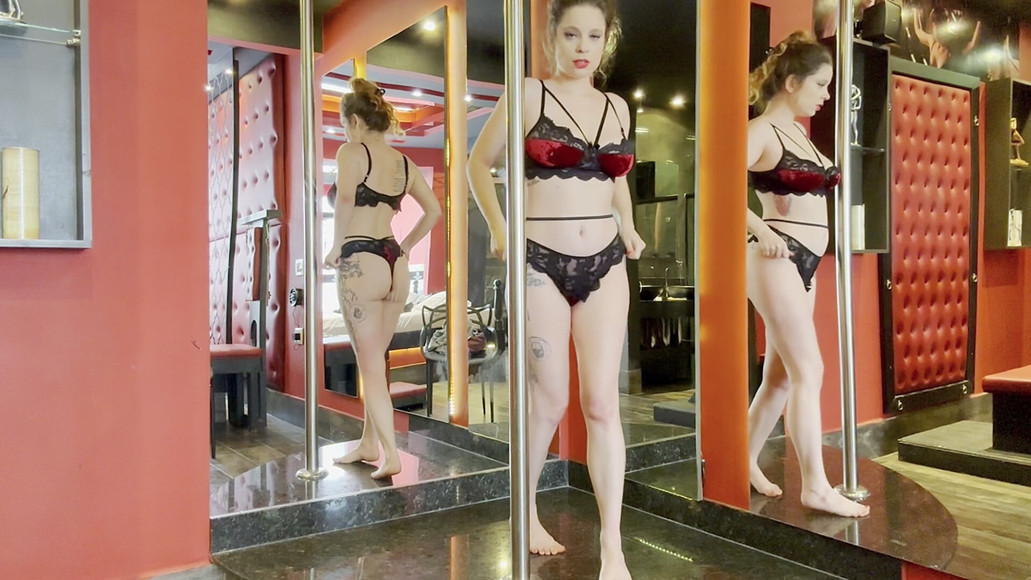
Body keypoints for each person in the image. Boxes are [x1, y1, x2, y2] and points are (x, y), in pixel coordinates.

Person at [468, 1, 644, 577]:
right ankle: (525, 511)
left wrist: (630, 226)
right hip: (539, 261)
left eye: (593, 35)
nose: (582, 46)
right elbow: (478, 164)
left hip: (606, 263)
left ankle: (612, 545)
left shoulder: (617, 106)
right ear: (552, 37)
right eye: (571, 34)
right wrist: (499, 227)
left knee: (602, 404)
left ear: (607, 39)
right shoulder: (528, 95)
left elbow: (617, 177)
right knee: (548, 401)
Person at [746, 31, 870, 518]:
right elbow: (715, 183)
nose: (825, 95)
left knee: (779, 378)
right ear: (792, 82)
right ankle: (816, 487)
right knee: (809, 370)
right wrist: (760, 227)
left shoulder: (798, 134)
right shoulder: (761, 130)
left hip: (805, 262)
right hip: (774, 256)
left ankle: (741, 460)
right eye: (820, 85)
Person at [324, 78, 442, 479]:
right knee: (378, 360)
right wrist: (405, 246)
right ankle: (369, 442)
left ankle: (391, 453)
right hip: (394, 263)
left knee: (370, 364)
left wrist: (335, 246)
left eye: (345, 125)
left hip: (360, 259)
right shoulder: (403, 163)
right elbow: (433, 211)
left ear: (355, 122)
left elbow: (344, 199)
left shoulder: (351, 151)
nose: (345, 132)